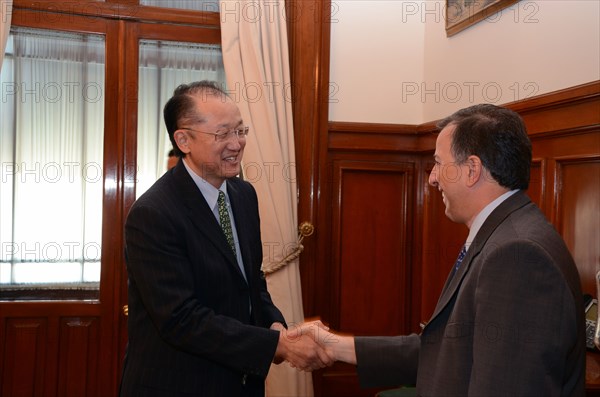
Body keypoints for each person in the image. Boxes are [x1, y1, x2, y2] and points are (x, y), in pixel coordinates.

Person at [309, 104, 586, 396]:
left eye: (439, 163)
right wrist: (339, 347)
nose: (432, 177)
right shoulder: (502, 234)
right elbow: (447, 349)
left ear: (472, 170)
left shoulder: (518, 256)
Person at [120, 81, 332, 397]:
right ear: (184, 140)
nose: (236, 143)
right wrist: (278, 347)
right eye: (223, 134)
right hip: (178, 384)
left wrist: (276, 327)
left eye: (240, 131)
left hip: (241, 383)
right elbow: (182, 319)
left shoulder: (244, 195)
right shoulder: (154, 213)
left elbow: (252, 282)